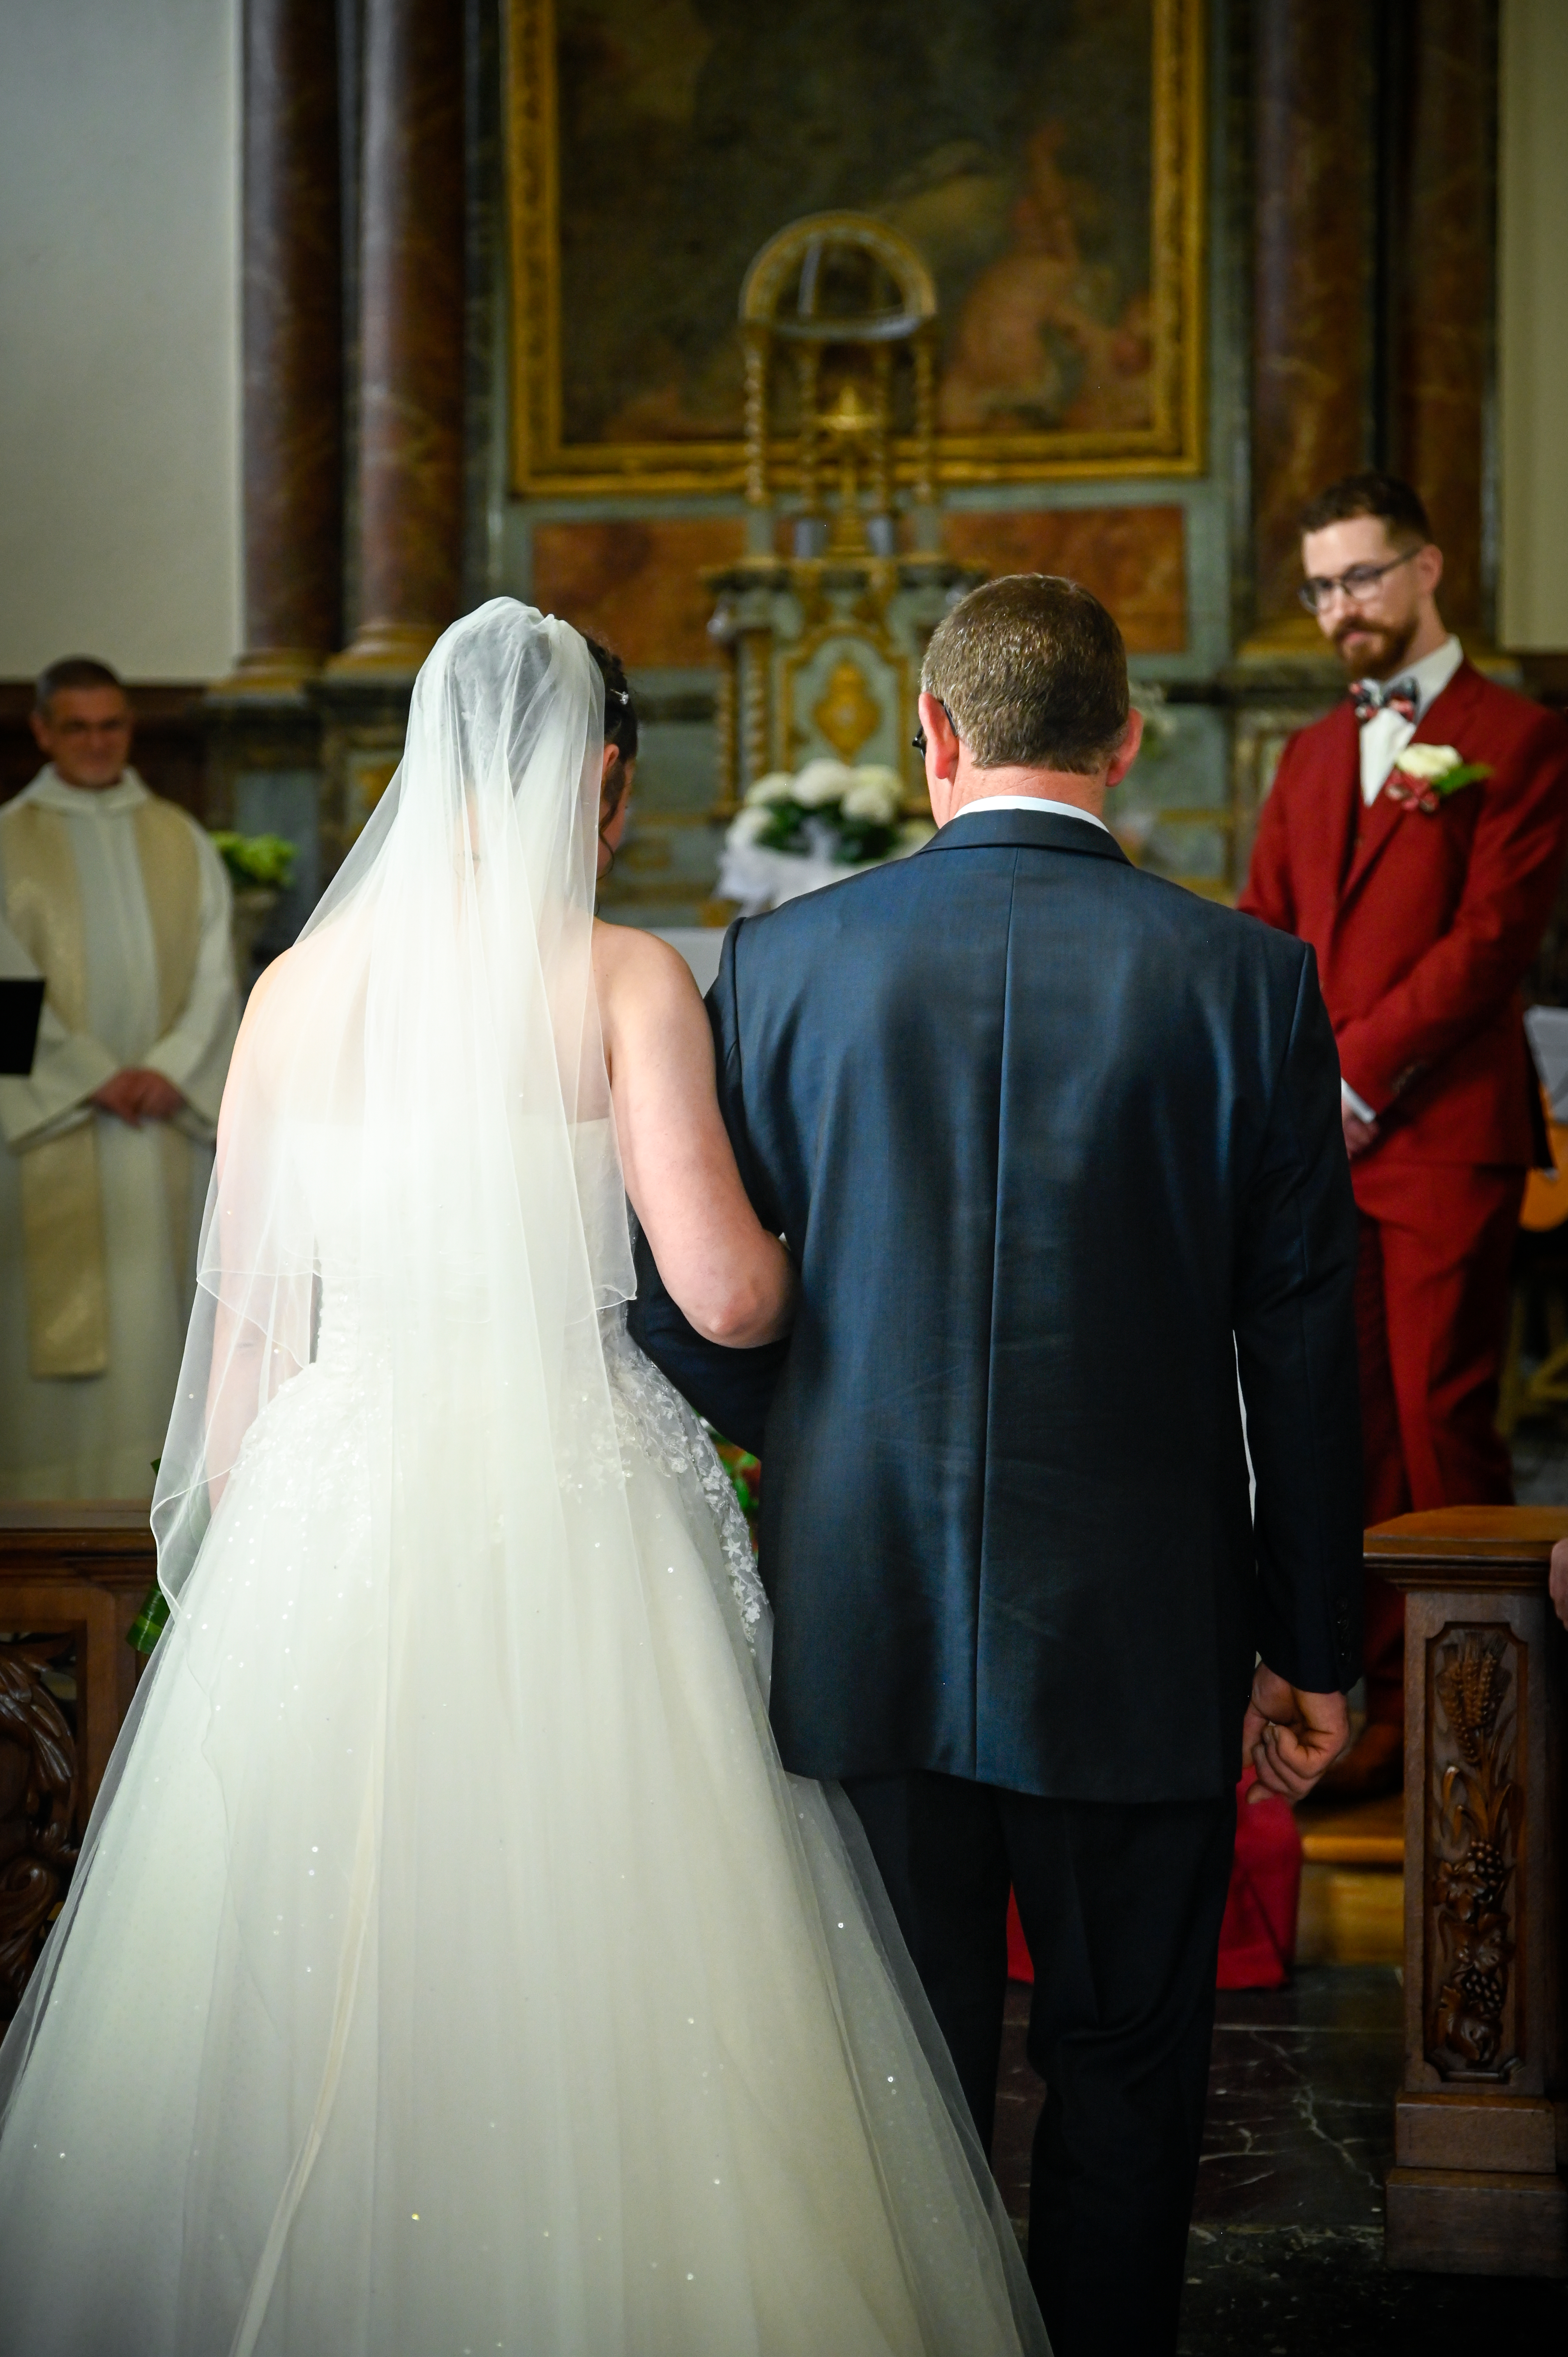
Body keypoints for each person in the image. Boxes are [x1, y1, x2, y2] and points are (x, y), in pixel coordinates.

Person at [0, 602, 1044, 2357]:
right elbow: (725, 1293)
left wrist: (249, 1563)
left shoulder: (293, 991)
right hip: (572, 1489)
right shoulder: (621, 976)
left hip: (334, 1489)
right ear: (599, 780)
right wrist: (832, 1250)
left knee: (316, 1930)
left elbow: (244, 1337)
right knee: (607, 1911)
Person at [630, 572, 1365, 2357]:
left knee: (894, 2076)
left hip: (861, 1607)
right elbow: (1302, 1351)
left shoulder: (781, 964)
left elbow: (676, 1311)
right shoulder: (1250, 981)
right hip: (1141, 1622)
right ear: (1126, 738)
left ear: (931, 736)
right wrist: (1312, 1644)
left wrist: (830, 1447)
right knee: (1128, 2064)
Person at [1240, 474, 1568, 1797]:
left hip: (1440, 1132)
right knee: (1347, 1423)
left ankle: (1491, 1712)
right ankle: (1383, 1701)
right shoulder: (1311, 753)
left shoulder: (1516, 736)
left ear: (1426, 569)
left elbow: (1492, 941)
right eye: (1321, 587)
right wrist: (1290, 1087)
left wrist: (1357, 1075)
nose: (1340, 608)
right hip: (1319, 1145)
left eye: (1361, 577)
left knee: (1441, 1414)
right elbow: (1264, 930)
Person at [0, 656, 237, 1497]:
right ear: (42, 732)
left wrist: (170, 1069)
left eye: (112, 727)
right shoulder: (8, 841)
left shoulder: (180, 838)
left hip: (164, 1124)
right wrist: (91, 1076)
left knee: (160, 1331)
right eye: (78, 728)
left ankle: (162, 1513)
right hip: (55, 1129)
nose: (98, 744)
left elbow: (217, 976)